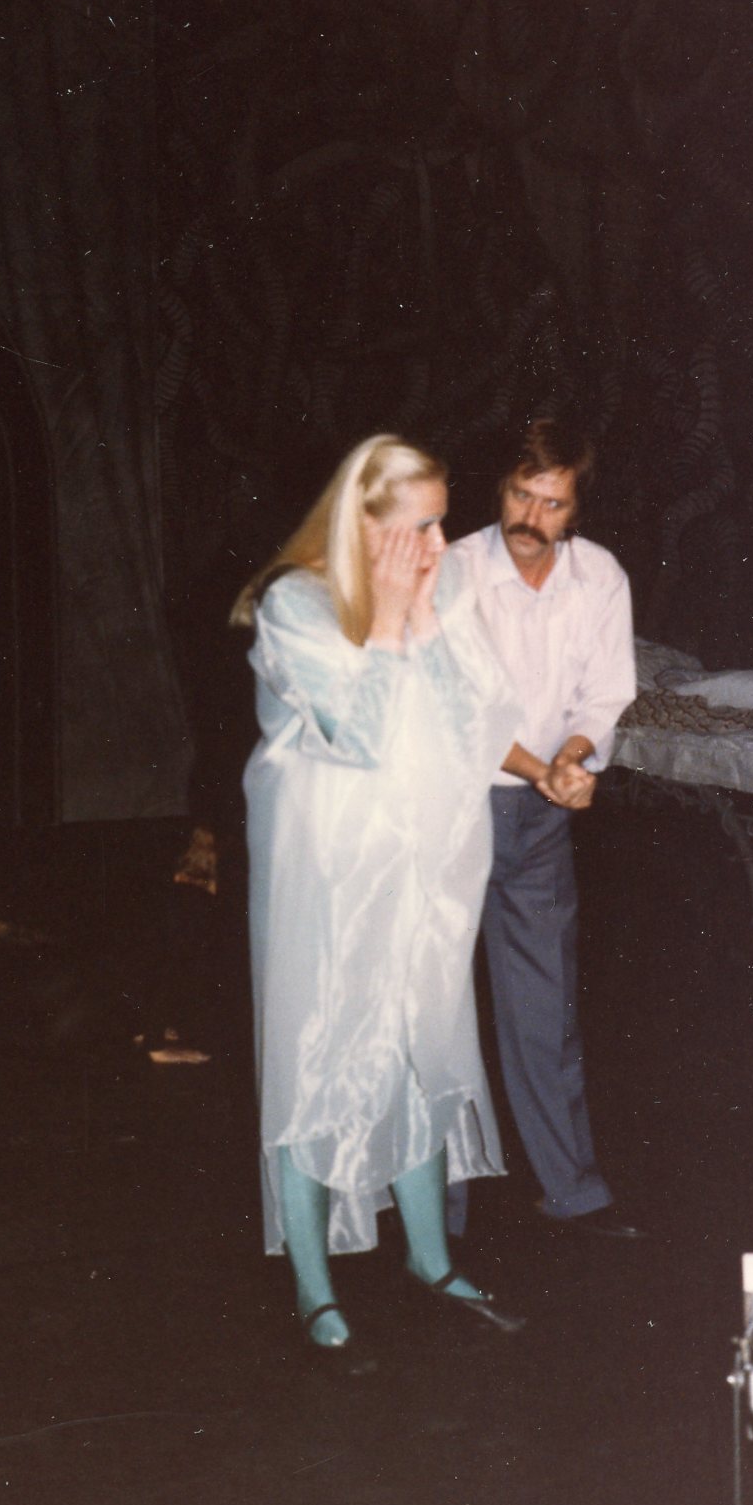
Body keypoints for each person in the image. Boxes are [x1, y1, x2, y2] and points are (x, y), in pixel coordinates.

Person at [232, 435, 562, 1354]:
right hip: (326, 871)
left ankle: (428, 1255)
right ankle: (313, 1282)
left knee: (421, 1042)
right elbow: (355, 733)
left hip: (424, 865)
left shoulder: (439, 592)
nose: (437, 544)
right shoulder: (296, 603)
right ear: (363, 524)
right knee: (313, 1052)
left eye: (440, 522)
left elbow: (475, 720)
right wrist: (393, 620)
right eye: (417, 525)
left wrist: (425, 617)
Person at [448, 417, 641, 1239]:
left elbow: (605, 692)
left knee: (543, 1006)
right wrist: (544, 770)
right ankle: (438, 1214)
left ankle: (572, 1190)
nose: (530, 517)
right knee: (438, 1012)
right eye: (520, 495)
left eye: (552, 503)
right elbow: (459, 711)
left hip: (536, 820)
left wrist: (571, 759)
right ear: (500, 489)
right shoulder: (452, 570)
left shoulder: (599, 576)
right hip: (452, 808)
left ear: (576, 510)